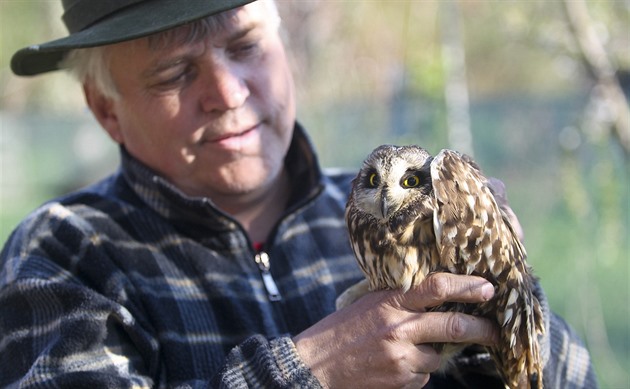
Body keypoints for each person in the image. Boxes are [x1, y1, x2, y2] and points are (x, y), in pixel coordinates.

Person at [1, 0, 597, 388]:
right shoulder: (67, 252)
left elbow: (570, 377)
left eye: (244, 47)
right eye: (174, 74)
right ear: (106, 110)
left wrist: (508, 292)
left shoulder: (394, 201)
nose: (228, 92)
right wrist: (309, 371)